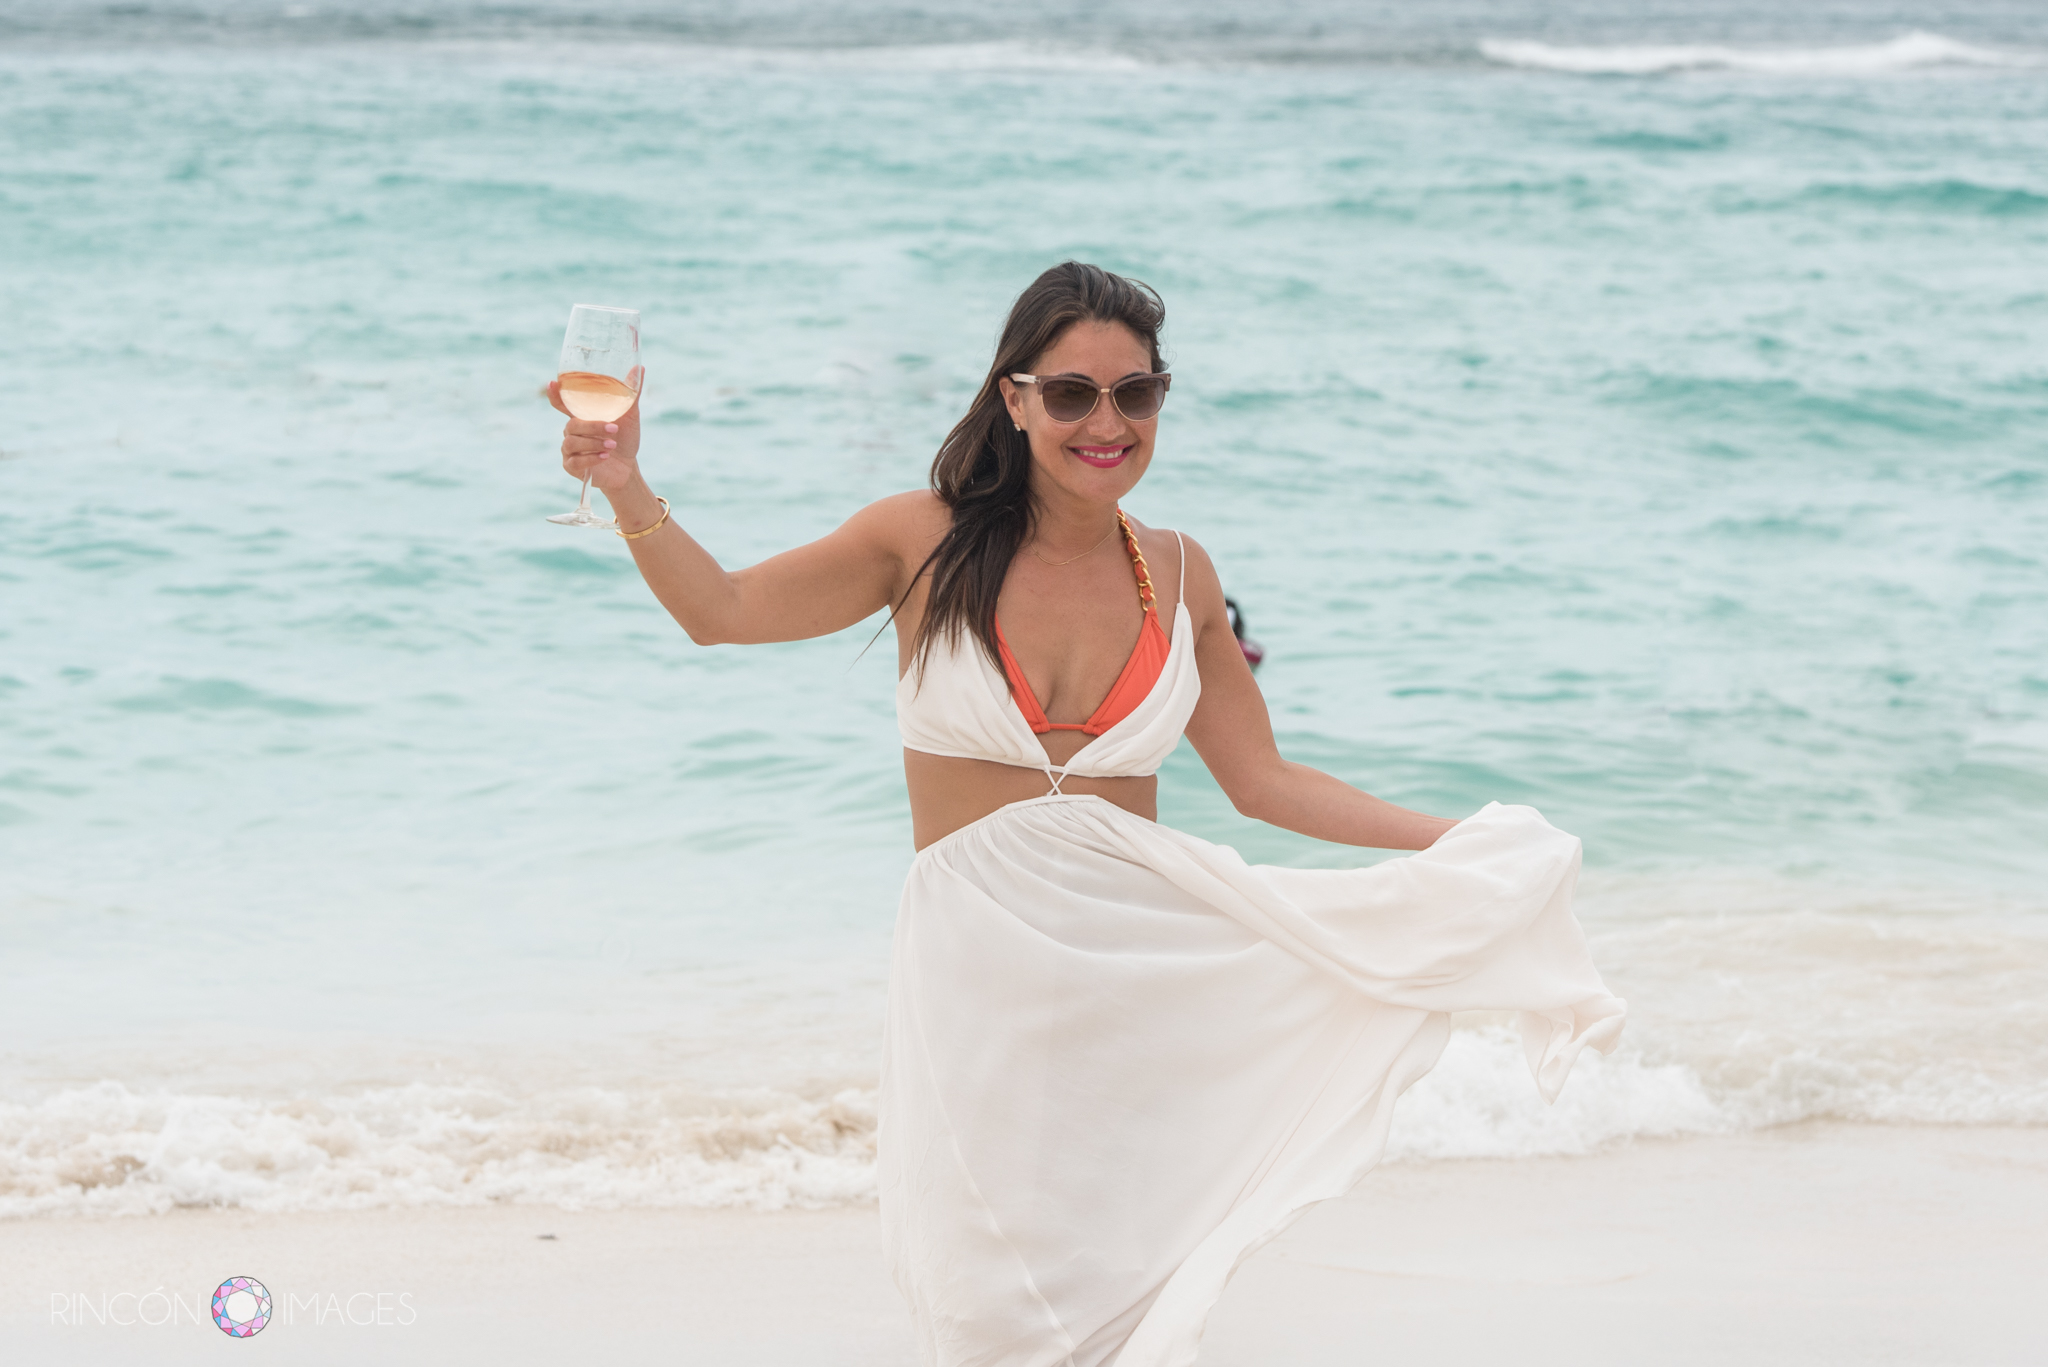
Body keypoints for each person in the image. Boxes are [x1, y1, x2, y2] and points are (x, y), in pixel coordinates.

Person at [548, 262, 1626, 1367]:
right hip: (979, 986)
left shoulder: (1177, 571)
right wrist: (627, 484)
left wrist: (1465, 841)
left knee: (1128, 1284)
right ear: (1012, 398)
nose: (1104, 422)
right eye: (1071, 394)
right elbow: (720, 612)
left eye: (1135, 394)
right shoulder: (917, 538)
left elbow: (1265, 782)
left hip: (1145, 982)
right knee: (988, 1299)